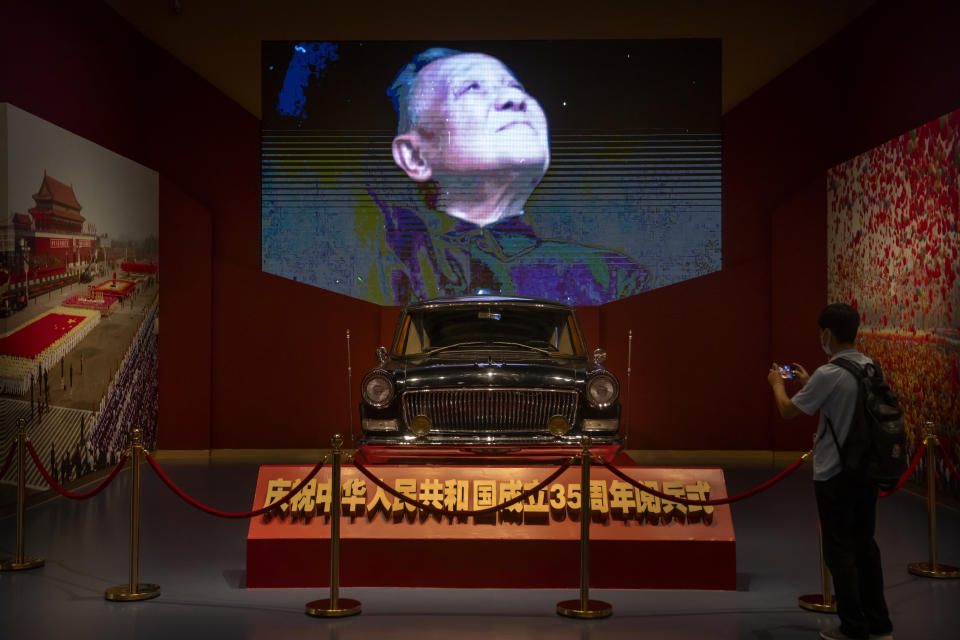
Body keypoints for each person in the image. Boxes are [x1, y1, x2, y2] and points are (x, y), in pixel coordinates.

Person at [361, 47, 650, 305]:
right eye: (472, 88)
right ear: (414, 156)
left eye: (517, 87)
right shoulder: (380, 257)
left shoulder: (613, 278)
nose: (515, 99)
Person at [766, 303, 894, 640]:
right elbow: (844, 405)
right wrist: (810, 382)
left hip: (835, 474)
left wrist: (776, 384)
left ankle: (853, 627)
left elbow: (788, 412)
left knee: (839, 552)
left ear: (826, 334)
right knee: (866, 546)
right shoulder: (869, 366)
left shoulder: (830, 374)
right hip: (866, 471)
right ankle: (880, 625)